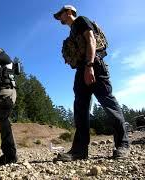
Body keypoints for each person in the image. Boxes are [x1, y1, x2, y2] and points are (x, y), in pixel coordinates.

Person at [53, 5, 129, 161]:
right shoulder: (72, 31)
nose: (59, 18)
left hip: (94, 66)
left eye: (60, 14)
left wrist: (89, 66)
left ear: (68, 12)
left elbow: (91, 40)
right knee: (80, 110)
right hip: (81, 70)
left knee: (109, 105)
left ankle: (123, 145)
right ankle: (79, 151)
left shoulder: (81, 21)